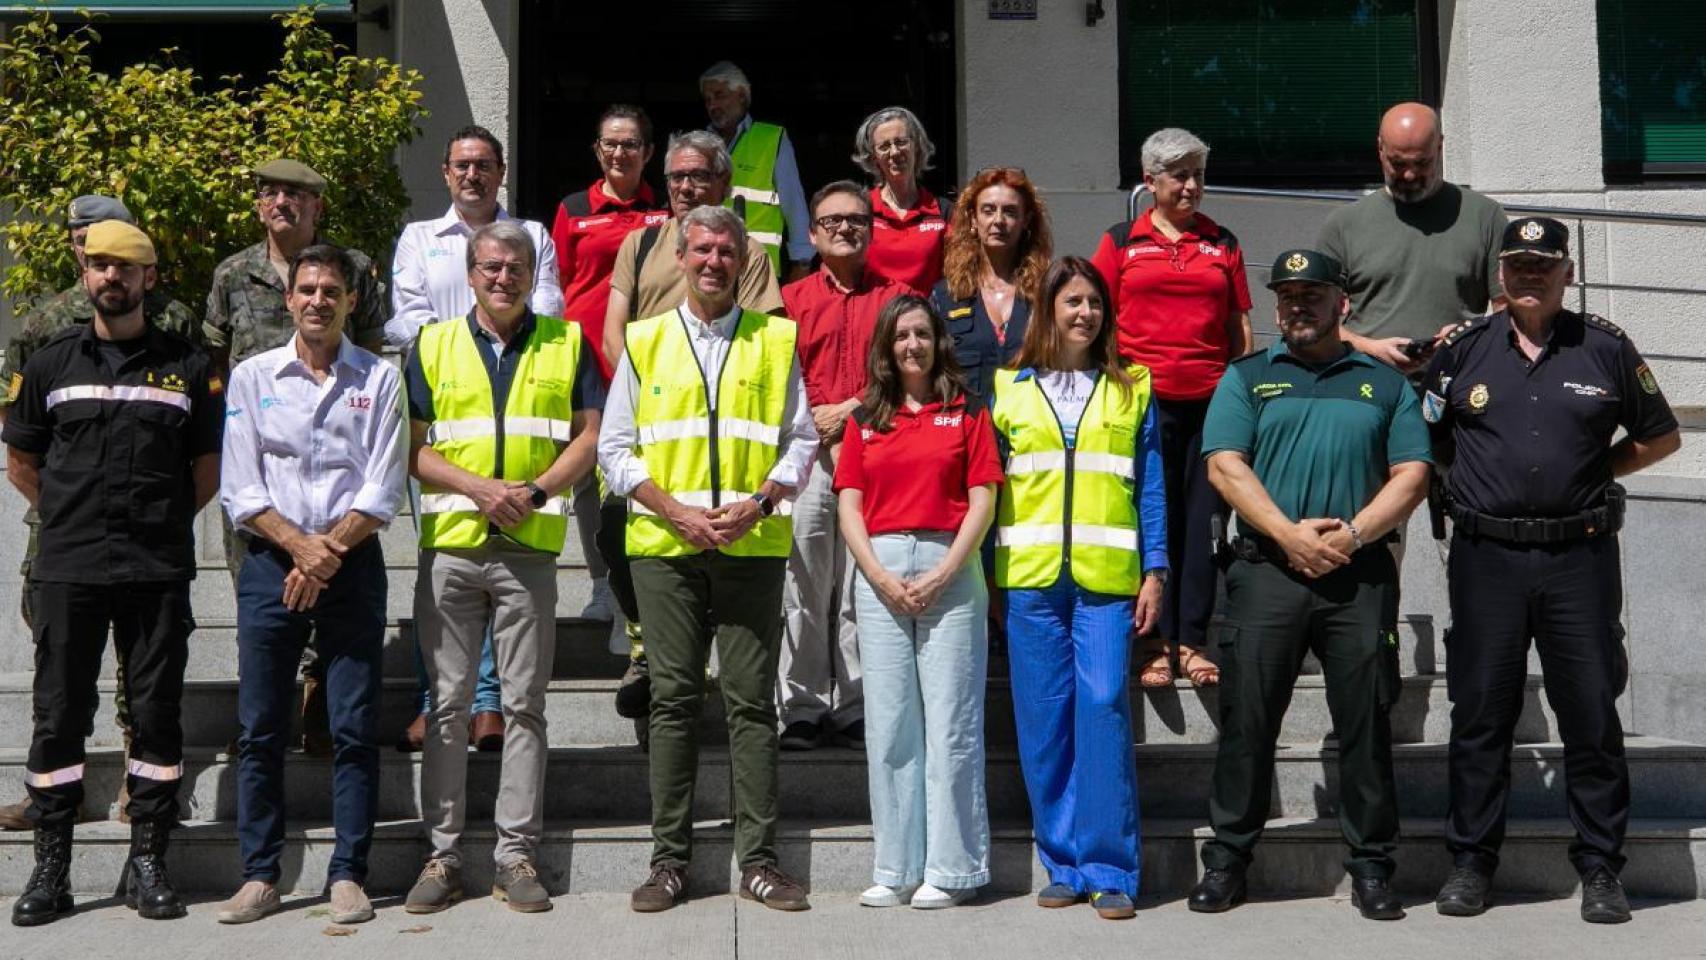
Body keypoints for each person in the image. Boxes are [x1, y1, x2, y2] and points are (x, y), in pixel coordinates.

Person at [1423, 217, 1681, 924]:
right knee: (1480, 716)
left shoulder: (1605, 346)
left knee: (1592, 714)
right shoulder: (1462, 352)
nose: (1529, 274)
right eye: (1517, 264)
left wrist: (1602, 469)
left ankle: (1601, 868)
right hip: (1487, 560)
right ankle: (1472, 863)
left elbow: (1661, 435)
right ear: (1500, 274)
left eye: (1543, 264)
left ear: (1568, 272)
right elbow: (1433, 441)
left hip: (1580, 559)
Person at [1189, 249, 1430, 921]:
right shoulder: (1248, 378)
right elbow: (1225, 468)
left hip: (1359, 576)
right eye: (1288, 295)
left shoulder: (1383, 384)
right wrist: (1289, 535)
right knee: (1247, 724)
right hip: (1267, 572)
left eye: (1314, 294)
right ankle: (1229, 861)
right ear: (1274, 308)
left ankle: (1374, 869)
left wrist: (1350, 536)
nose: (1299, 305)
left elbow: (1412, 474)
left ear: (1341, 305)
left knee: (1365, 725)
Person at [598, 204, 818, 913]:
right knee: (674, 702)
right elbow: (613, 449)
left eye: (727, 251)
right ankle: (669, 862)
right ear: (682, 259)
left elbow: (802, 439)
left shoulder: (775, 339)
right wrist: (677, 511)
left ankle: (758, 861)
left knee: (753, 703)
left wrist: (760, 500)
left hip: (750, 542)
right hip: (666, 547)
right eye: (702, 251)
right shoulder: (644, 339)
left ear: (743, 260)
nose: (714, 262)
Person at [4, 221, 223, 926]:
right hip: (69, 568)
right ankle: (52, 868)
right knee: (59, 717)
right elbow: (22, 462)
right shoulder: (49, 362)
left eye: (126, 267)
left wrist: (154, 525)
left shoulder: (187, 365)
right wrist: (75, 519)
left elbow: (207, 471)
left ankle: (149, 862)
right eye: (100, 265)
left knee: (156, 714)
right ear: (85, 272)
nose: (112, 278)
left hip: (156, 569)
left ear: (149, 279)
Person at [401, 221, 604, 916]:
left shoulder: (568, 340)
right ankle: (445, 853)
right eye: (490, 266)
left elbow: (592, 435)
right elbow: (414, 448)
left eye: (515, 266)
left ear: (530, 272)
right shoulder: (431, 345)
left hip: (529, 550)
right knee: (450, 704)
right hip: (453, 547)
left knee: (524, 706)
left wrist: (537, 492)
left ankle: (515, 854)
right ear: (471, 271)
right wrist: (481, 488)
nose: (503, 278)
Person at [215, 245, 406, 927]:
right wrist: (300, 548)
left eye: (332, 291)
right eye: (307, 289)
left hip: (352, 563)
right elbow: (240, 485)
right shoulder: (251, 376)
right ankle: (260, 875)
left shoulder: (379, 378)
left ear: (350, 301)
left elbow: (383, 485)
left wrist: (325, 554)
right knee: (261, 725)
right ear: (289, 298)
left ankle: (349, 874)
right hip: (273, 562)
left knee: (353, 726)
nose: (319, 301)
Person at [993, 257, 1166, 922]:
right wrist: (987, 573)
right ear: (1047, 311)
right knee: (1043, 726)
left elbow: (1150, 485)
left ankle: (1111, 868)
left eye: (1094, 302)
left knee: (1102, 710)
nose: (1085, 313)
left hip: (1105, 583)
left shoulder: (1132, 388)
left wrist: (1156, 569)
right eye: (1072, 302)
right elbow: (989, 487)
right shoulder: (1008, 388)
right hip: (1030, 585)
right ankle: (1062, 862)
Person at [388, 126, 568, 753]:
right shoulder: (418, 239)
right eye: (462, 165)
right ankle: (436, 698)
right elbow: (407, 319)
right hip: (442, 422)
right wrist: (462, 342)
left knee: (505, 570)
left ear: (501, 172)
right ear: (445, 173)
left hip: (514, 412)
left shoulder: (533, 238)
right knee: (443, 568)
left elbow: (545, 309)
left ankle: (488, 703)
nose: (473, 175)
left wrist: (483, 331)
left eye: (484, 165)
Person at [206, 158, 390, 756]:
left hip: (335, 444)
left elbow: (370, 351)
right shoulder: (232, 274)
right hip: (261, 457)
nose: (282, 202)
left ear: (317, 207)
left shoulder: (352, 268)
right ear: (259, 205)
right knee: (260, 596)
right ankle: (265, 712)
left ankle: (318, 705)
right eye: (271, 193)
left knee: (326, 590)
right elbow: (215, 359)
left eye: (297, 195)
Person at [600, 129, 784, 724]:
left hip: (726, 429)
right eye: (677, 176)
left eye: (699, 176)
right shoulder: (642, 241)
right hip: (649, 418)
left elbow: (763, 339)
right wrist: (637, 383)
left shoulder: (745, 250)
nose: (685, 186)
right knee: (613, 528)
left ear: (724, 184)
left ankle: (678, 656)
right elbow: (614, 330)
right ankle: (648, 647)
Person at [835, 294, 1002, 909]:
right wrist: (875, 574)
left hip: (949, 569)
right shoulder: (864, 419)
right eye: (902, 336)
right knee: (890, 726)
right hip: (879, 570)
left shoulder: (966, 411)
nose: (913, 345)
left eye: (923, 335)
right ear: (887, 345)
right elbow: (848, 503)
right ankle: (896, 868)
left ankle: (953, 871)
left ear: (939, 343)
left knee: (952, 725)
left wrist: (946, 571)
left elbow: (983, 498)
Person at [1091, 127, 1251, 690]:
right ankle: (1152, 643)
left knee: (1206, 521)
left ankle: (1191, 640)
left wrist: (1239, 394)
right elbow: (1096, 321)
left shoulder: (1222, 243)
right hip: (1144, 404)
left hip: (1210, 402)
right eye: (1179, 176)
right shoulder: (1120, 242)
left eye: (1198, 175)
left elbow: (1239, 327)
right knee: (1152, 522)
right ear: (1150, 182)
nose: (1191, 186)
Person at [777, 181, 908, 751]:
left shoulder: (899, 297)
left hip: (877, 456)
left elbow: (907, 372)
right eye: (832, 221)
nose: (845, 229)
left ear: (871, 229)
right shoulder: (791, 299)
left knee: (861, 587)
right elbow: (777, 377)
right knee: (804, 582)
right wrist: (816, 422)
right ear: (812, 234)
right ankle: (801, 707)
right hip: (808, 459)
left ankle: (854, 705)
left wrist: (849, 412)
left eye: (856, 220)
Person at [549, 104, 668, 628]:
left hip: (653, 365)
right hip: (589, 364)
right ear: (598, 151)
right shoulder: (574, 208)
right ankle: (601, 584)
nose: (620, 153)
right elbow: (560, 285)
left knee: (646, 471)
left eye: (630, 144)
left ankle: (644, 578)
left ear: (649, 151)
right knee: (589, 480)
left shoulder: (665, 208)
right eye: (610, 144)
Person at [1316, 102, 1507, 376]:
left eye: (1421, 162)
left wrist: (1470, 335)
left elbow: (1507, 312)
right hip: (1366, 383)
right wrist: (1369, 348)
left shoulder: (1485, 216)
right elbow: (1320, 320)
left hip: (1459, 383)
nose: (1409, 174)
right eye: (1398, 163)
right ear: (1380, 149)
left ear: (1440, 148)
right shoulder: (1343, 225)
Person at [931, 167, 1052, 407]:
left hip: (1032, 437)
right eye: (988, 211)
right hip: (967, 435)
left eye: (1009, 211)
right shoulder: (945, 296)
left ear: (1025, 220)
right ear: (973, 219)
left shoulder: (1048, 292)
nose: (998, 220)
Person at [700, 60, 813, 280]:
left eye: (719, 95)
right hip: (709, 267)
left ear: (742, 95)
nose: (713, 105)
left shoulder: (772, 139)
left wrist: (802, 261)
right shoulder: (699, 144)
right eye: (708, 99)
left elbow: (794, 204)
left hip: (758, 270)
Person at [853, 106, 948, 295]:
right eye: (884, 146)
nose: (894, 152)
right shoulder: (861, 209)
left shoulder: (944, 211)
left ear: (917, 146)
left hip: (927, 319)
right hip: (875, 320)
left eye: (901, 142)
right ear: (873, 157)